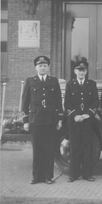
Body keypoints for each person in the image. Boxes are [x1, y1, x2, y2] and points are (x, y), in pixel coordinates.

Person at [21, 56, 63, 184]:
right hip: (35, 120)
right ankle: (36, 177)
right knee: (37, 149)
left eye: (45, 65)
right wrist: (25, 121)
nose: (43, 68)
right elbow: (25, 102)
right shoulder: (30, 81)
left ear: (48, 67)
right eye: (40, 66)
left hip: (50, 120)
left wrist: (60, 119)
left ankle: (47, 177)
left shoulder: (54, 81)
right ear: (36, 67)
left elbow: (58, 102)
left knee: (49, 149)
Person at [64, 60, 99, 182]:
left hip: (88, 121)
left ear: (86, 71)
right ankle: (73, 174)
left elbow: (95, 101)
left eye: (83, 70)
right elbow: (67, 103)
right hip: (74, 121)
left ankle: (87, 174)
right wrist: (75, 116)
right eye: (79, 70)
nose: (81, 72)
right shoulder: (70, 84)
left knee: (87, 147)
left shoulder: (91, 84)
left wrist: (88, 114)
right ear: (75, 71)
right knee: (74, 147)